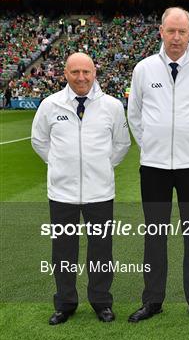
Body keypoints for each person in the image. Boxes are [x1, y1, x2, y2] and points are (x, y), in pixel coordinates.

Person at [127, 7, 189, 322]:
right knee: (155, 233)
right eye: (171, 31)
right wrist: (151, 145)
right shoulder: (143, 69)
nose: (177, 37)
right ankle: (153, 300)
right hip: (153, 167)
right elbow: (135, 115)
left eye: (182, 32)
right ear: (161, 31)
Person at [31, 52, 130, 325]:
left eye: (86, 71)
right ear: (65, 74)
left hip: (100, 193)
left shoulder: (111, 106)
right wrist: (61, 165)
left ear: (94, 72)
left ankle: (101, 302)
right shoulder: (50, 105)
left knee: (101, 251)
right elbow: (39, 141)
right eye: (75, 72)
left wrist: (101, 166)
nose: (81, 77)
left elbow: (122, 144)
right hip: (62, 194)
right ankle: (65, 303)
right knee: (63, 252)